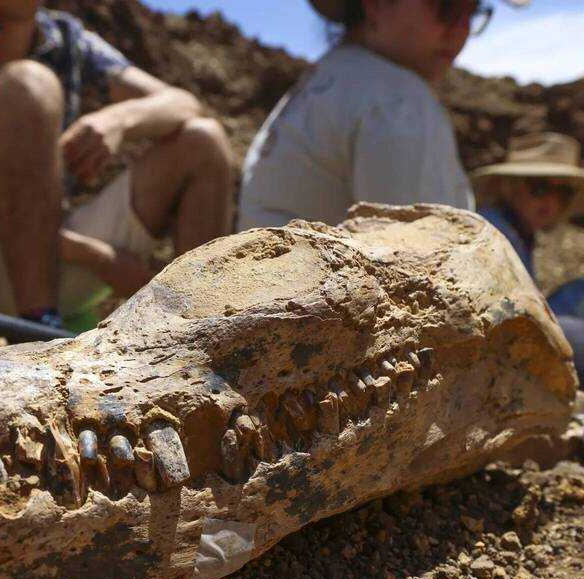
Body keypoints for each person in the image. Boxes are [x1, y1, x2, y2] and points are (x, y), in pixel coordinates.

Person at [0, 0, 233, 332]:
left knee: (204, 139)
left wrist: (118, 120)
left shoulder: (68, 38)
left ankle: (200, 328)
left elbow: (184, 103)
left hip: (55, 259)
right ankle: (37, 327)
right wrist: (98, 258)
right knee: (28, 84)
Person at [238, 0, 529, 232]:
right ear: (375, 4)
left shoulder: (330, 81)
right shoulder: (396, 98)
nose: (461, 28)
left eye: (473, 9)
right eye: (448, 6)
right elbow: (425, 266)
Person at [473, 132, 584, 381]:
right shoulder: (491, 231)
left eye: (563, 192)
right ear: (510, 188)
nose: (551, 202)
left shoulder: (518, 230)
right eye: (540, 187)